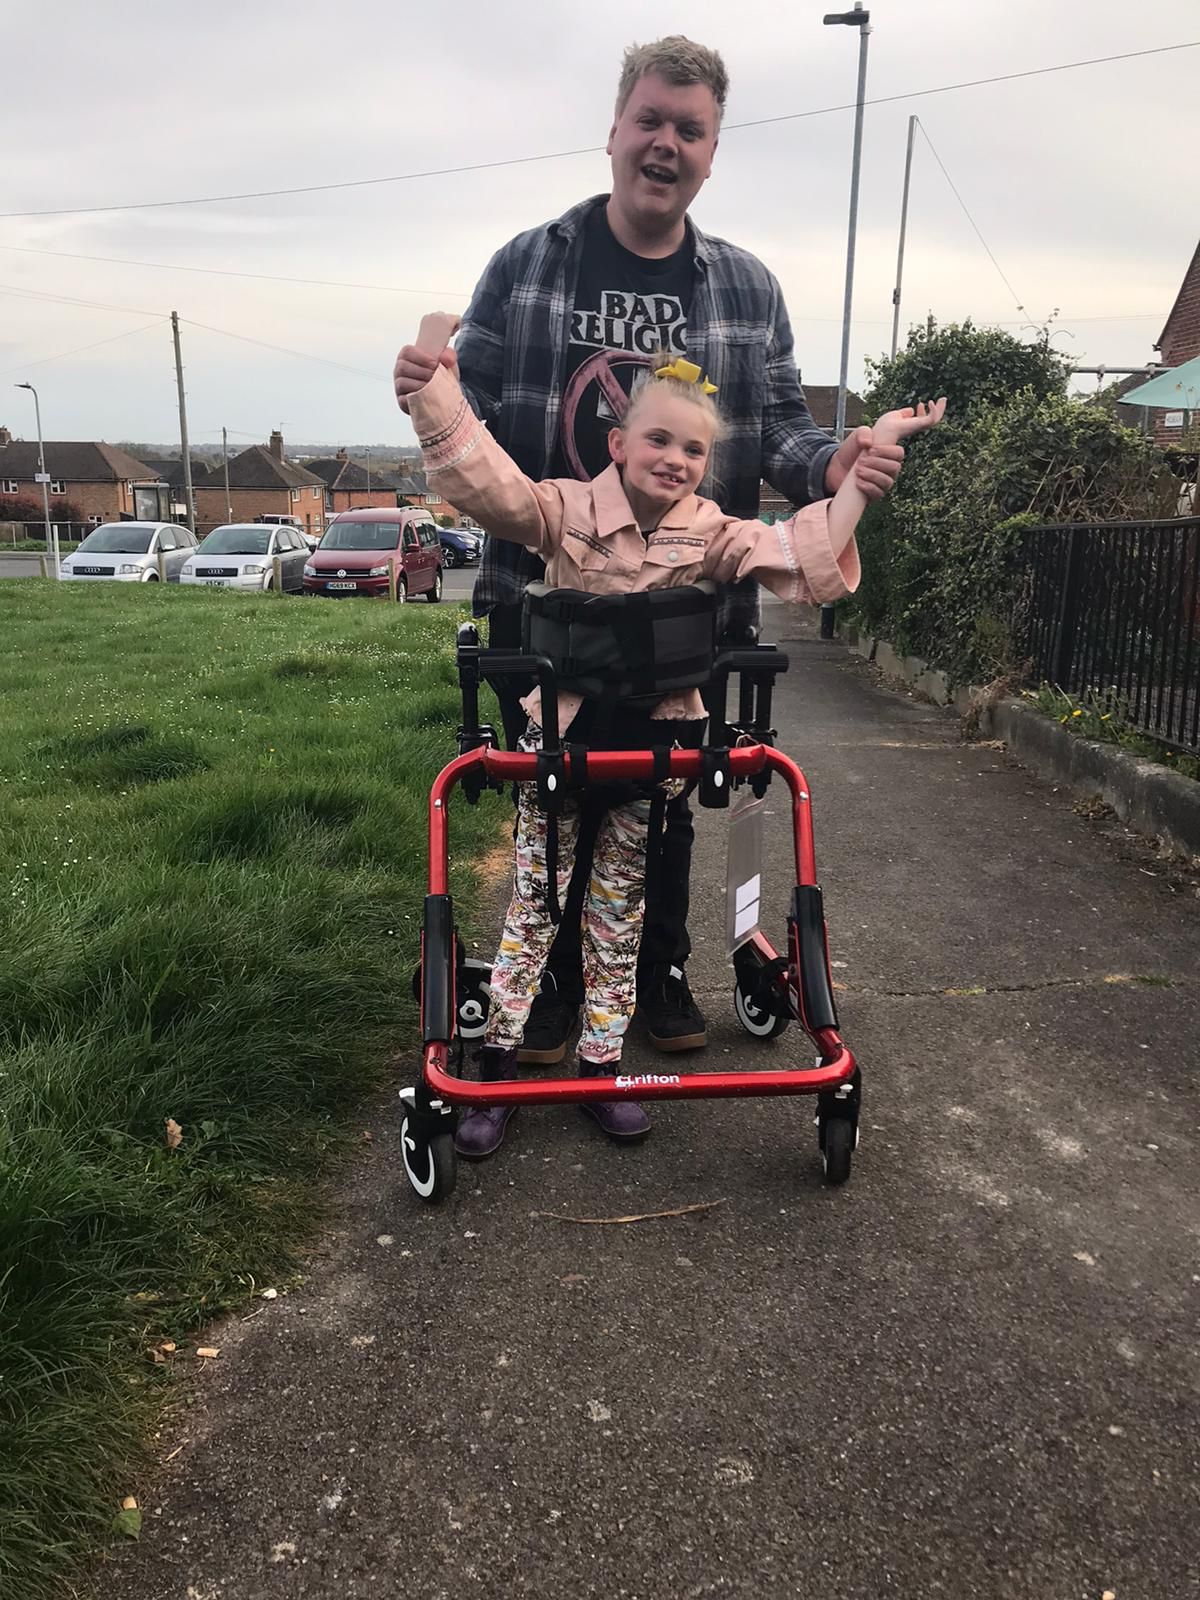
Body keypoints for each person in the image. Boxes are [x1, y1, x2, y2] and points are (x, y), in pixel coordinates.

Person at [393, 35, 906, 1069]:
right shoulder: (530, 262)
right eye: (651, 121)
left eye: (691, 129)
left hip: (683, 602)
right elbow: (477, 419)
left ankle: (650, 971)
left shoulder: (749, 289)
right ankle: (547, 996)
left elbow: (783, 431)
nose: (666, 143)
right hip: (549, 592)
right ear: (616, 129)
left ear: (713, 152)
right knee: (552, 798)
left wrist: (835, 462)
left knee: (664, 797)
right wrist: (431, 384)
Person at [399, 309, 944, 1157]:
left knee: (619, 913)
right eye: (659, 440)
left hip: (652, 755)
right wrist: (436, 391)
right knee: (535, 910)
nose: (675, 461)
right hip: (564, 750)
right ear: (618, 443)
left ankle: (601, 1064)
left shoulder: (711, 530)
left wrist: (860, 486)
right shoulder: (566, 510)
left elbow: (796, 557)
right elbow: (488, 488)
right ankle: (496, 1066)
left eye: (692, 452)